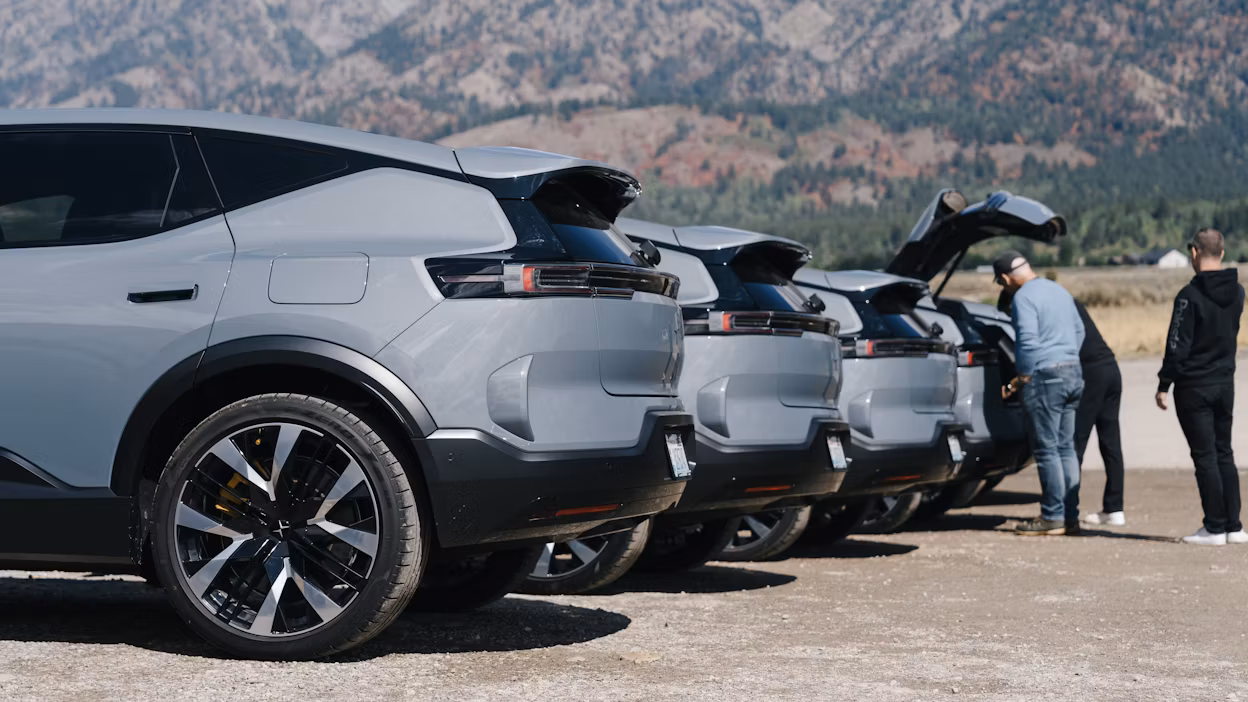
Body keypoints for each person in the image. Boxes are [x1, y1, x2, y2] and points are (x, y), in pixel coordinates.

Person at [996, 293, 1126, 526]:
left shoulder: (1036, 310)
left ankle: (1066, 511)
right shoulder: (1064, 302)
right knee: (1111, 441)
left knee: (1073, 444)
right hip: (1110, 368)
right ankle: (1114, 508)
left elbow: (1037, 353)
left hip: (1088, 374)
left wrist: (1014, 383)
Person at [1156, 228, 1246, 546]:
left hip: (1194, 385)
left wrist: (1164, 383)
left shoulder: (1188, 296)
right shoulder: (1238, 293)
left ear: (1194, 252)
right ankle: (1234, 526)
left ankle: (1214, 527)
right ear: (1221, 253)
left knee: (1205, 456)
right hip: (1225, 383)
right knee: (1224, 452)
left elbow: (1177, 343)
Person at [994, 251, 1085, 536]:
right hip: (1073, 371)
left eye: (1001, 282)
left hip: (1045, 377)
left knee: (1046, 450)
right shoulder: (1059, 291)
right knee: (1066, 447)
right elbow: (1079, 331)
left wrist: (1022, 377)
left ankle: (1052, 516)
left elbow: (1029, 342)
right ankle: (1070, 515)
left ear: (1006, 278)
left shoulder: (1023, 297)